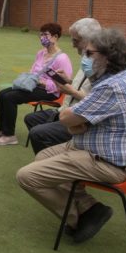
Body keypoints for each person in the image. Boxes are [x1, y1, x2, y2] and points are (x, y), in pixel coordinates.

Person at [16, 28, 126, 243]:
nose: (84, 57)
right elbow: (76, 120)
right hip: (104, 151)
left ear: (108, 57)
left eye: (89, 54)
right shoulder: (124, 79)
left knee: (27, 176)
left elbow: (66, 118)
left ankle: (77, 218)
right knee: (42, 158)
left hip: (108, 162)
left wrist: (74, 122)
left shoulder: (112, 87)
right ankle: (90, 207)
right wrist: (76, 123)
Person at [24, 18, 102, 153]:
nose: (72, 45)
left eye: (75, 40)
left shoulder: (102, 65)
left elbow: (98, 102)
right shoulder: (87, 60)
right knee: (31, 119)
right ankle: (52, 157)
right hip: (66, 109)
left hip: (80, 120)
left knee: (38, 132)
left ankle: (53, 161)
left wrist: (71, 91)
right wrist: (68, 81)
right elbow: (83, 87)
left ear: (89, 40)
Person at [0, 22, 73, 146]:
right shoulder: (41, 53)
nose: (42, 37)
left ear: (55, 37)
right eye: (41, 34)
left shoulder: (62, 58)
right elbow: (33, 71)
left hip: (50, 92)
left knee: (10, 97)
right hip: (34, 86)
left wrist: (43, 83)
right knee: (2, 94)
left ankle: (9, 135)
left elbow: (64, 85)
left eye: (46, 34)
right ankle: (0, 130)